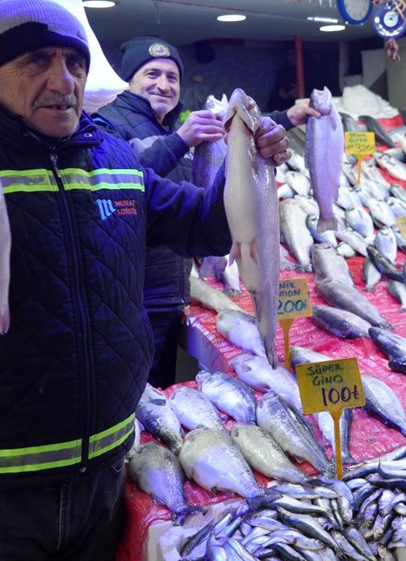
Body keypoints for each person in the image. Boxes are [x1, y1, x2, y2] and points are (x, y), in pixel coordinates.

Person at [0, 0, 290, 560]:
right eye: (36, 61)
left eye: (75, 63)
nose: (63, 80)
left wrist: (249, 163)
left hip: (104, 475)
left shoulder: (114, 158)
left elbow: (206, 226)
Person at [93, 36, 315, 387]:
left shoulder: (167, 125)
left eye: (172, 77)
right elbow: (121, 177)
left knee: (162, 395)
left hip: (171, 294)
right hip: (132, 301)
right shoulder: (105, 123)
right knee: (136, 396)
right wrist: (179, 140)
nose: (163, 84)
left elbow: (203, 192)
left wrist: (260, 134)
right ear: (128, 81)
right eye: (152, 74)